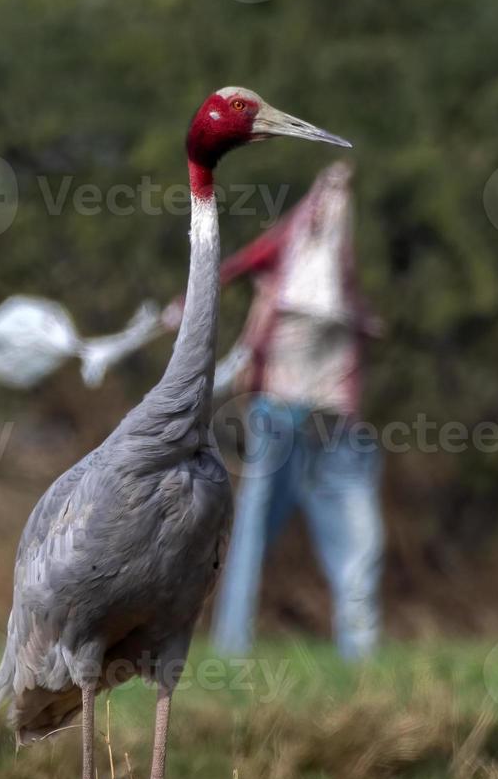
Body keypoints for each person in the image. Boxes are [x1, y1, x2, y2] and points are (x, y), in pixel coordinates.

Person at [164, 161, 385, 660]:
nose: (337, 196)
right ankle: (231, 649)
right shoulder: (291, 241)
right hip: (279, 412)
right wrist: (184, 305)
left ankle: (361, 655)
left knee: (358, 541)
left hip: (335, 423)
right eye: (329, 186)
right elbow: (228, 270)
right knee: (249, 535)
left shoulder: (340, 266)